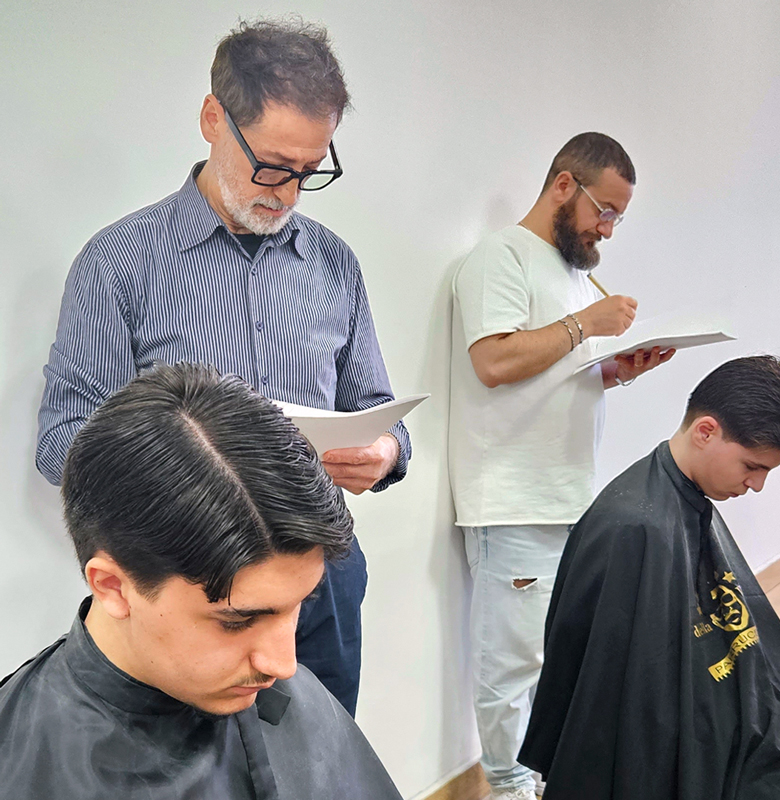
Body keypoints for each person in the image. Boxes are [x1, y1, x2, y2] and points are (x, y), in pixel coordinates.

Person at [36, 18, 411, 716]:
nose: (287, 193)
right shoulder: (119, 263)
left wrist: (385, 451)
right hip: (190, 591)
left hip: (320, 580)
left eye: (309, 173)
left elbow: (377, 408)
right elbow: (63, 442)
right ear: (213, 118)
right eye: (272, 165)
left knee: (321, 759)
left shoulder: (334, 264)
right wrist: (191, 464)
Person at [2, 363, 403, 799]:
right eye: (237, 621)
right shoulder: (22, 763)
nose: (285, 666)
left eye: (300, 604)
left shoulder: (294, 697)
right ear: (113, 587)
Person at [448, 132, 675, 799]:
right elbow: (494, 361)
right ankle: (507, 785)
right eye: (604, 211)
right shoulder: (500, 257)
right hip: (512, 498)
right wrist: (588, 326)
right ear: (564, 185)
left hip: (567, 495)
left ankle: (543, 778)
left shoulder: (571, 275)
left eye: (618, 218)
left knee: (553, 656)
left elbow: (549, 375)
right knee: (511, 664)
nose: (607, 229)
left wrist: (617, 370)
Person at [519, 355, 780, 799]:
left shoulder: (686, 496)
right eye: (752, 467)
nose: (757, 485)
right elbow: (622, 707)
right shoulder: (632, 529)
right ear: (705, 431)